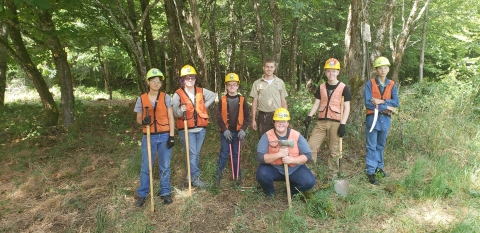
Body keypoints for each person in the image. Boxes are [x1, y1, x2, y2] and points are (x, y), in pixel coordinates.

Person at [303, 58, 351, 188]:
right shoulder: (321, 87)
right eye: (329, 71)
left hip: (336, 122)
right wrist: (309, 115)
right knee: (310, 146)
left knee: (334, 150)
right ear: (325, 72)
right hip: (322, 122)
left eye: (334, 71)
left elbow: (347, 107)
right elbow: (317, 103)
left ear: (338, 72)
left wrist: (343, 124)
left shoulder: (344, 88)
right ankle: (310, 173)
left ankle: (332, 176)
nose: (331, 73)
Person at [134, 68, 175, 207]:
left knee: (165, 165)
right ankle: (142, 194)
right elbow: (138, 118)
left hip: (164, 135)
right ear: (148, 82)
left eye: (158, 81)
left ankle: (165, 192)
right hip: (148, 136)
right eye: (153, 81)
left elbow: (170, 116)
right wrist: (143, 122)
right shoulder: (141, 98)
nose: (156, 83)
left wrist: (172, 136)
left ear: (161, 83)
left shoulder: (166, 97)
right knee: (146, 166)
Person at [172, 65, 216, 188]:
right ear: (182, 80)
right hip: (186, 129)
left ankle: (189, 179)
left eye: (192, 77)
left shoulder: (201, 91)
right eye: (187, 78)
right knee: (193, 154)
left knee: (195, 153)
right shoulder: (177, 94)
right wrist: (181, 110)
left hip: (201, 129)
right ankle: (195, 178)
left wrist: (203, 107)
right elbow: (175, 113)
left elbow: (213, 95)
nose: (190, 80)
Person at [256, 108, 316, 198]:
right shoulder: (267, 136)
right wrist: (279, 155)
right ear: (274, 123)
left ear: (287, 123)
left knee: (309, 182)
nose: (281, 123)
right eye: (278, 121)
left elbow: (307, 155)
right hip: (274, 168)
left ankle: (290, 191)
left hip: (294, 168)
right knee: (261, 173)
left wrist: (292, 160)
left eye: (283, 121)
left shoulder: (296, 135)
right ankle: (270, 193)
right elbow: (260, 157)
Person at [364, 56, 399, 185]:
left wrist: (382, 101)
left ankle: (379, 168)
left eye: (385, 67)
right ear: (376, 70)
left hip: (386, 119)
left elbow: (396, 102)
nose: (383, 70)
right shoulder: (370, 84)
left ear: (388, 69)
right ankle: (371, 172)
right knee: (371, 145)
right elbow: (368, 103)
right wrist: (387, 107)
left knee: (381, 145)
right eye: (380, 68)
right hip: (373, 118)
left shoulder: (392, 84)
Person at [214, 73, 251, 187]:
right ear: (226, 86)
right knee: (224, 153)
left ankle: (237, 177)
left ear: (237, 86)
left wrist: (243, 129)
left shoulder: (242, 100)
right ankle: (217, 177)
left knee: (236, 154)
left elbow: (247, 117)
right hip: (226, 133)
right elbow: (219, 117)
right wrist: (224, 130)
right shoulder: (222, 100)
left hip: (238, 132)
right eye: (229, 85)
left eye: (234, 84)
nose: (232, 87)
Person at [250, 58, 288, 139]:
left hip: (278, 116)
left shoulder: (280, 82)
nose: (269, 69)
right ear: (263, 67)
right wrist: (253, 119)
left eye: (271, 67)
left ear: (274, 68)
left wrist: (285, 119)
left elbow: (283, 101)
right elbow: (254, 102)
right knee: (264, 139)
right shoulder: (257, 83)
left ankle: (279, 152)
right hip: (263, 116)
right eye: (267, 67)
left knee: (278, 139)